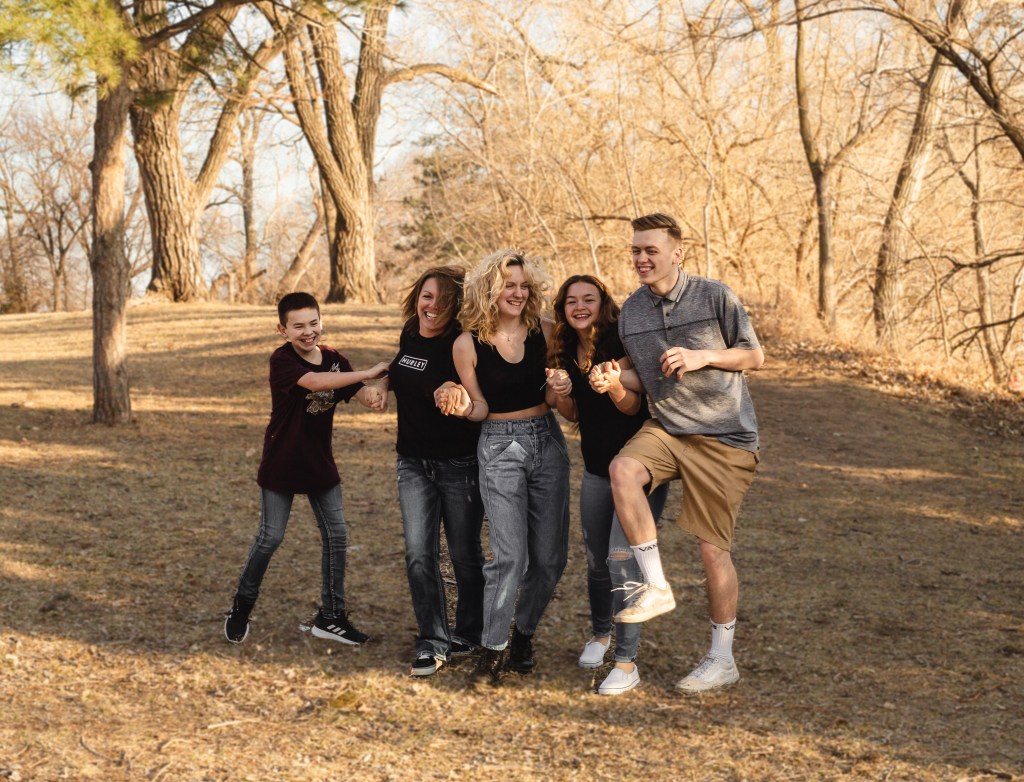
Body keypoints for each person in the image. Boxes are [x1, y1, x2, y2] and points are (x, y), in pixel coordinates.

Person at [605, 212, 764, 693]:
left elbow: (754, 356)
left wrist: (703, 356)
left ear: (678, 253)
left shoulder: (714, 295)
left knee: (712, 551)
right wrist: (612, 378)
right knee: (623, 469)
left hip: (724, 439)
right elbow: (642, 375)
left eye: (651, 250)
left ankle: (722, 659)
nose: (641, 258)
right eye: (635, 250)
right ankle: (655, 586)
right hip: (669, 428)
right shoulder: (631, 311)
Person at [434, 250, 570, 688]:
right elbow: (480, 408)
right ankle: (491, 652)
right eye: (508, 284)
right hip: (497, 446)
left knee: (550, 560)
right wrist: (455, 401)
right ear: (489, 290)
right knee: (510, 557)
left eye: (523, 285)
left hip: (547, 443)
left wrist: (561, 387)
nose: (517, 292)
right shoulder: (466, 343)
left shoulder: (546, 332)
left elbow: (556, 403)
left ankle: (523, 637)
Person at [224, 292, 389, 646]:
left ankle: (331, 617)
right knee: (270, 537)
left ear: (321, 321)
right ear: (282, 329)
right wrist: (367, 371)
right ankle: (242, 606)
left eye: (313, 323)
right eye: (298, 326)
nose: (307, 331)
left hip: (319, 464)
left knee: (337, 535)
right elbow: (315, 383)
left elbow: (358, 391)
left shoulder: (333, 359)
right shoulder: (281, 361)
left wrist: (376, 391)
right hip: (282, 463)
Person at [545, 274, 670, 696]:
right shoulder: (563, 350)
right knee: (598, 561)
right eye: (571, 301)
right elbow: (575, 415)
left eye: (589, 299)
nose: (580, 307)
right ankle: (601, 636)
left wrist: (614, 384)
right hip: (597, 469)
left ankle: (626, 661)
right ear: (563, 309)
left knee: (623, 559)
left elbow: (635, 404)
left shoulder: (620, 340)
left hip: (637, 470)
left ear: (603, 303)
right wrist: (561, 391)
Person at [387, 266, 486, 677]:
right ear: (417, 298)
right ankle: (432, 640)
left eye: (445, 301)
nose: (434, 307)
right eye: (428, 297)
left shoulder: (462, 343)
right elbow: (403, 374)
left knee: (464, 555)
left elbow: (479, 401)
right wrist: (380, 383)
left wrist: (459, 397)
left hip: (458, 464)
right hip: (412, 462)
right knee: (418, 553)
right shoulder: (410, 332)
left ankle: (469, 632)